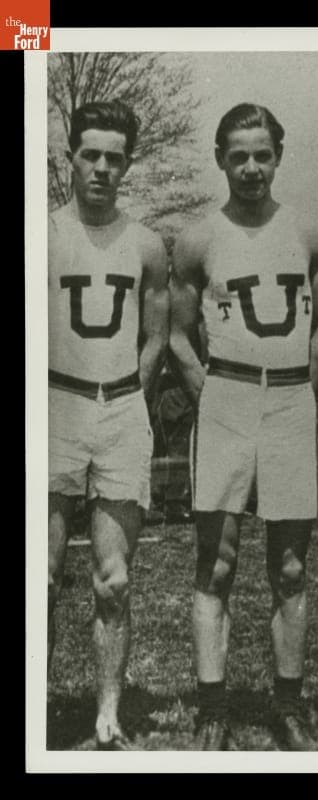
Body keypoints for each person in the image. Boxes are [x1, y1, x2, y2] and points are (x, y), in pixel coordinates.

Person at [169, 103, 318, 750]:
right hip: (229, 401)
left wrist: (310, 396)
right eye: (238, 155)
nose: (250, 168)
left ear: (278, 156)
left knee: (290, 567)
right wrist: (213, 398)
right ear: (220, 159)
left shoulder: (310, 232)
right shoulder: (197, 238)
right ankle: (213, 705)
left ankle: (286, 703)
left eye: (261, 154)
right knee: (216, 564)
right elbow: (180, 338)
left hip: (291, 400)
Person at [48, 100, 169, 750]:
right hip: (54, 406)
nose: (101, 167)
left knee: (114, 580)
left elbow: (156, 338)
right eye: (89, 154)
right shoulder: (43, 235)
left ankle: (107, 718)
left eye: (113, 157)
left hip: (120, 410)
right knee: (40, 574)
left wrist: (130, 401)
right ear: (70, 156)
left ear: (127, 162)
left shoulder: (145, 243)